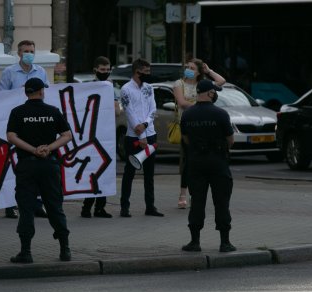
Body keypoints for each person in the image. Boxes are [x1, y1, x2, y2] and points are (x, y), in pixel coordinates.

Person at [6, 78, 73, 263]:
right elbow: (67, 136)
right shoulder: (52, 111)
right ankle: (65, 249)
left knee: (26, 208)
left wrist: (32, 149)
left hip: (27, 165)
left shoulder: (18, 112)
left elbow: (11, 136)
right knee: (54, 206)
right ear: (42, 92)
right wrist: (49, 148)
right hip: (49, 165)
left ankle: (26, 252)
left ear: (26, 92)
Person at [180, 80, 236, 253]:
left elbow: (186, 139)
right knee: (221, 202)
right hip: (218, 162)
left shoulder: (187, 114)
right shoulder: (220, 114)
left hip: (196, 163)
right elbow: (230, 140)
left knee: (197, 202)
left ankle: (194, 242)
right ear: (210, 93)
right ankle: (225, 242)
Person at [0, 39, 50, 220]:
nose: (29, 54)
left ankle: (37, 203)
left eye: (31, 51)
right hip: (18, 123)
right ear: (19, 53)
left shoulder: (41, 72)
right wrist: (19, 92)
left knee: (37, 164)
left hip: (36, 123)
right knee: (15, 165)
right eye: (25, 51)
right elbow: (1, 97)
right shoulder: (9, 72)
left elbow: (48, 94)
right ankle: (11, 205)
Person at [172, 58, 226, 209]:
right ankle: (183, 193)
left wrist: (209, 71)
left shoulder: (202, 85)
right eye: (187, 67)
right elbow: (182, 103)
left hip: (203, 126)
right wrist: (201, 107)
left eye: (193, 68)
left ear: (199, 72)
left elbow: (221, 81)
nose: (189, 70)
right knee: (188, 161)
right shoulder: (179, 84)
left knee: (201, 159)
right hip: (187, 125)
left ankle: (195, 192)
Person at [119, 58, 164, 218]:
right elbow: (129, 112)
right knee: (130, 172)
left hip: (150, 133)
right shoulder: (125, 89)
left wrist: (145, 125)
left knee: (149, 173)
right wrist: (140, 133)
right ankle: (124, 206)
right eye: (145, 72)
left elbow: (153, 108)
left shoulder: (149, 88)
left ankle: (150, 206)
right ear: (137, 72)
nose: (148, 75)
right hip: (134, 137)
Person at [80, 56, 119, 219]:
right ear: (95, 70)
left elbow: (117, 111)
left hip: (106, 134)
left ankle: (100, 207)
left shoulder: (112, 87)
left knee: (105, 171)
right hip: (91, 135)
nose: (106, 72)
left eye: (108, 69)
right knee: (92, 170)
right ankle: (86, 207)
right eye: (102, 70)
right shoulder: (87, 87)